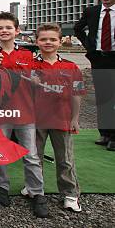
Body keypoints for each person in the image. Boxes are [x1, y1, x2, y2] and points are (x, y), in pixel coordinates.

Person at [0, 12, 47, 218]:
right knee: (0, 152)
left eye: (8, 27)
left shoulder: (28, 55)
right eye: (0, 28)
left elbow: (38, 80)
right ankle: (1, 187)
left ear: (17, 30)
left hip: (25, 112)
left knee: (31, 155)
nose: (4, 31)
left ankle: (37, 193)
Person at [32, 23, 84, 213]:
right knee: (34, 157)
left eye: (52, 39)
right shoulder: (31, 66)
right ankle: (36, 189)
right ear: (36, 41)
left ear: (60, 42)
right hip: (36, 120)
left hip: (62, 120)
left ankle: (70, 194)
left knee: (65, 160)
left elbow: (77, 94)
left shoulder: (71, 67)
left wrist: (75, 119)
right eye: (43, 39)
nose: (48, 42)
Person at [73, 0, 115, 151]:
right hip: (100, 59)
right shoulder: (92, 11)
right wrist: (90, 47)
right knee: (104, 98)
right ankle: (105, 133)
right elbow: (78, 28)